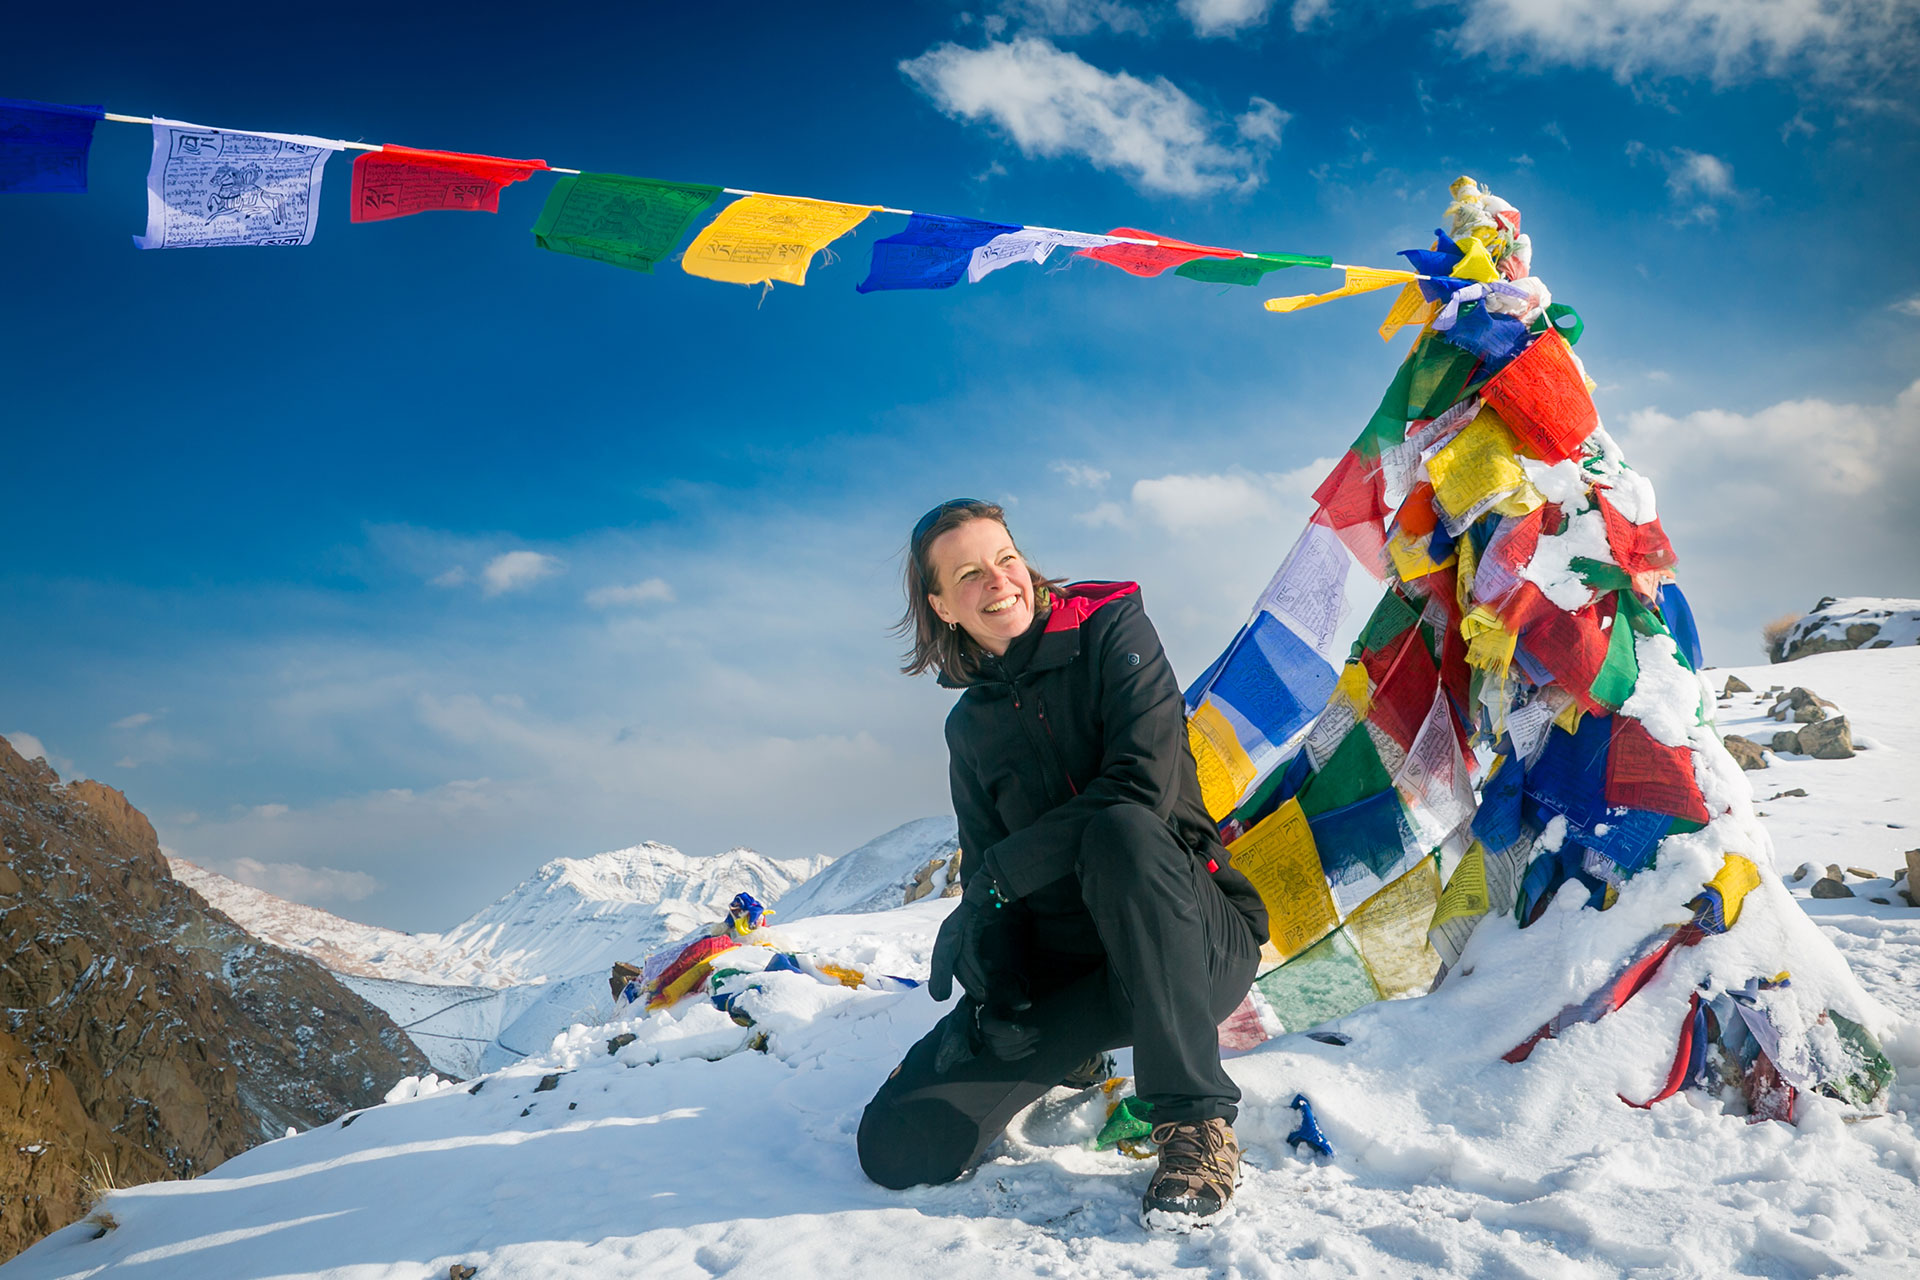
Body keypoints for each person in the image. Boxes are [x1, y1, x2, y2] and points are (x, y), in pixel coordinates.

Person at [857, 498, 1270, 1229]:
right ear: (941, 605)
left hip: (1189, 946)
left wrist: (999, 876)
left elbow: (1140, 785)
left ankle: (1195, 1122)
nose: (999, 582)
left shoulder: (1113, 628)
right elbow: (990, 869)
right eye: (969, 574)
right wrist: (996, 970)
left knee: (1120, 833)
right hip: (1082, 976)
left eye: (1005, 559)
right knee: (897, 1144)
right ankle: (1069, 1054)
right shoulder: (970, 727)